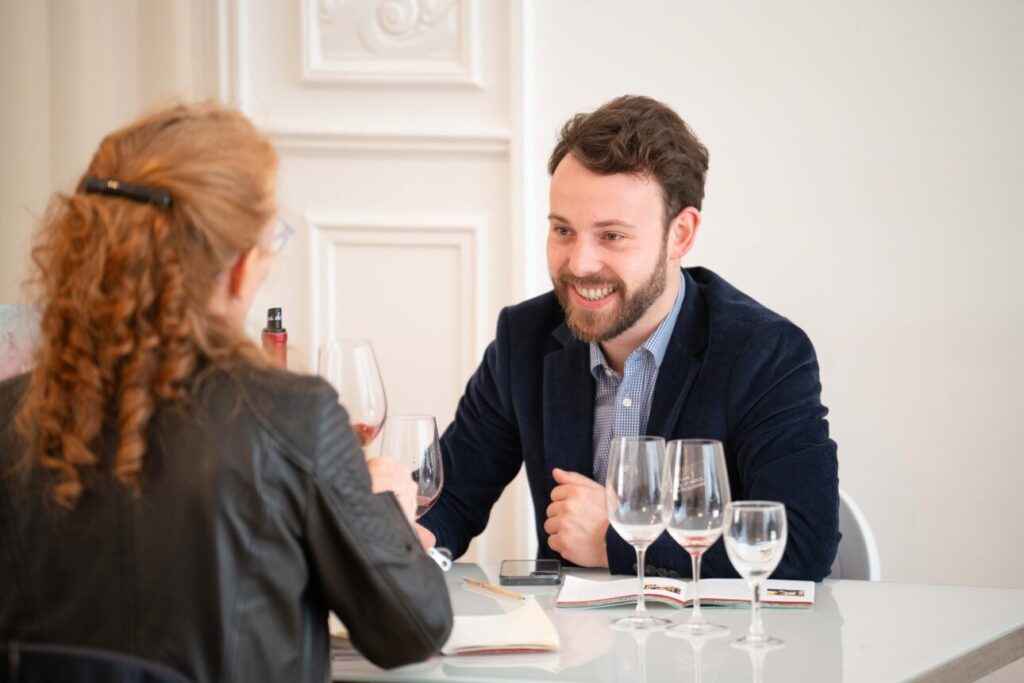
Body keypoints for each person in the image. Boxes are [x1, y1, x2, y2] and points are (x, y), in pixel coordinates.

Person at [0, 102, 452, 682]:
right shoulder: (295, 416)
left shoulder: (9, 416)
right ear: (240, 267)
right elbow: (412, 630)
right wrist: (386, 505)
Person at [419, 95, 840, 581]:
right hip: (570, 648)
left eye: (612, 236)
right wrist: (405, 533)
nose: (578, 264)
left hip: (714, 649)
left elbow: (803, 543)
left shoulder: (764, 353)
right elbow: (449, 498)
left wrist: (615, 536)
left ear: (680, 235)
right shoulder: (524, 340)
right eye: (563, 230)